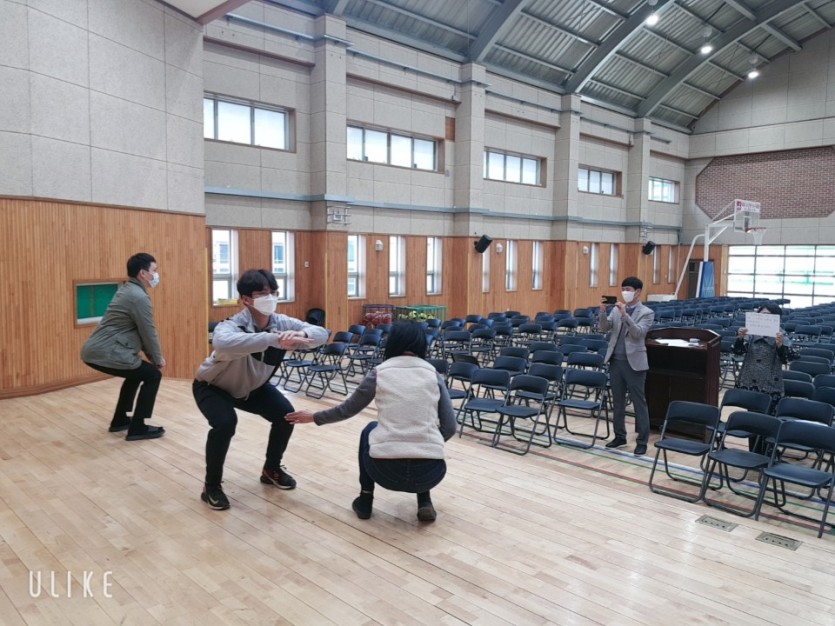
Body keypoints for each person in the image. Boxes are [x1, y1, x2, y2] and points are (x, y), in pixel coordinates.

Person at [286, 321, 456, 522]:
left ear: (392, 342)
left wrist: (314, 416)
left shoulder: (380, 372)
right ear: (422, 344)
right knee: (422, 437)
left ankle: (365, 500)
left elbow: (347, 410)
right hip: (431, 473)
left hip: (384, 472)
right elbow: (450, 427)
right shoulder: (433, 374)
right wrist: (426, 442)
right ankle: (425, 501)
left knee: (370, 429)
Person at [193, 269, 329, 510]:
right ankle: (211, 486)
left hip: (253, 388)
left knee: (286, 416)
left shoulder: (282, 322)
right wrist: (273, 339)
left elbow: (321, 334)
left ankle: (271, 469)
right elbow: (222, 343)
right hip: (213, 387)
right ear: (246, 299)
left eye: (274, 292)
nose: (271, 297)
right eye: (263, 293)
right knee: (225, 424)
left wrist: (301, 333)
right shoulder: (233, 324)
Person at [81, 252, 166, 441]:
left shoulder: (128, 290)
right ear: (143, 273)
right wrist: (158, 359)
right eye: (154, 270)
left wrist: (153, 357)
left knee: (136, 372)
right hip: (107, 352)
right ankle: (138, 427)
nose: (156, 274)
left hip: (97, 350)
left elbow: (142, 332)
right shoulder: (138, 297)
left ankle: (120, 420)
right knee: (153, 375)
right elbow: (148, 331)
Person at [598, 276, 655, 456]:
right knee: (618, 402)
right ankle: (619, 436)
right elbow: (604, 328)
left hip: (634, 363)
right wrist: (602, 312)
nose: (625, 292)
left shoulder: (646, 312)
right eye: (623, 289)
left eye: (628, 289)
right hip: (616, 360)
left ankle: (642, 441)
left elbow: (638, 333)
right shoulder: (616, 310)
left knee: (639, 403)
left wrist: (625, 315)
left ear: (638, 292)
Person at [733, 302, 791, 414]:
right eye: (761, 315)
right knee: (751, 412)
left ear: (777, 319)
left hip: (770, 380)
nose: (764, 318)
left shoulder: (781, 335)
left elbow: (786, 359)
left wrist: (780, 345)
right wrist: (740, 339)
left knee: (768, 414)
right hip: (750, 377)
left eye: (768, 315)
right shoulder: (750, 333)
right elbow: (738, 352)